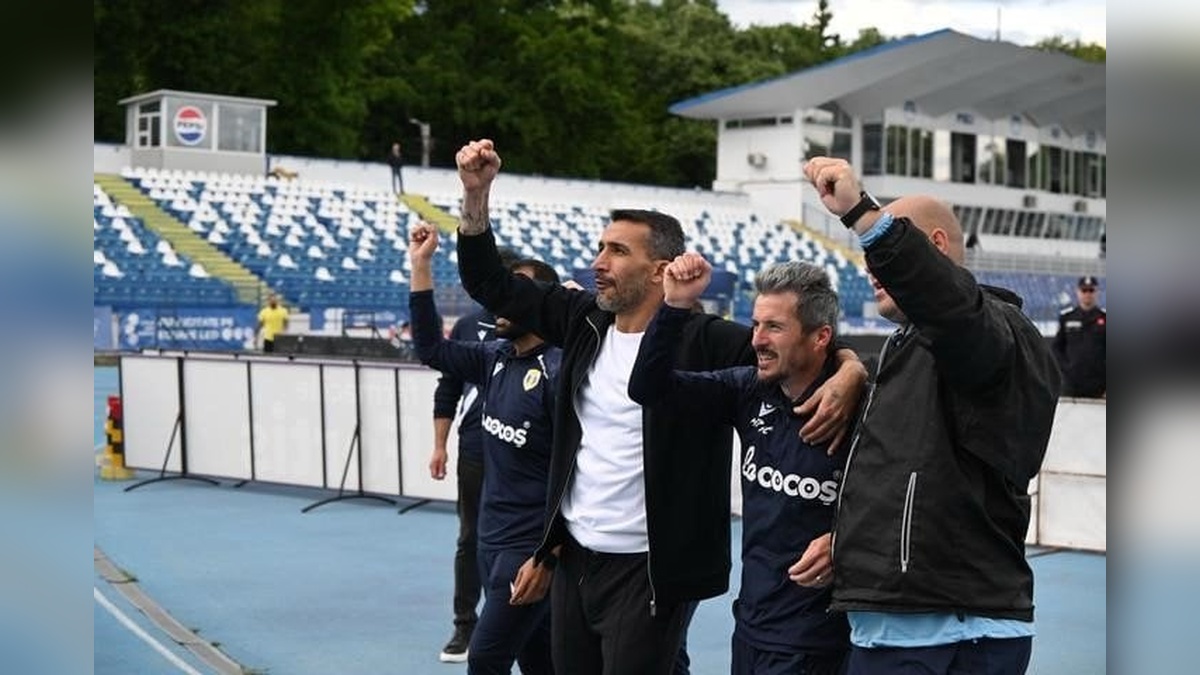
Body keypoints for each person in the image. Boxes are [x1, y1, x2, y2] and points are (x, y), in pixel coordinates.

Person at [454, 138, 866, 675]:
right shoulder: (581, 320)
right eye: (601, 248)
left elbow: (795, 349)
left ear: (661, 270)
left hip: (652, 567)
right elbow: (487, 282)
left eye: (617, 251)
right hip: (576, 553)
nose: (598, 263)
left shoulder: (708, 340)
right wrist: (476, 195)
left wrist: (852, 367)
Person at [802, 156, 1061, 675]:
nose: (869, 267)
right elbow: (917, 474)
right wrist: (854, 542)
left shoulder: (992, 332)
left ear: (934, 249)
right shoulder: (913, 349)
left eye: (885, 253)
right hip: (912, 624)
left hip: (945, 631)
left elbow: (951, 307)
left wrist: (865, 218)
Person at [628, 255, 853, 675]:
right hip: (750, 626)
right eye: (756, 325)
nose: (757, 340)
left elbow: (912, 500)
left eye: (774, 327)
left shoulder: (859, 409)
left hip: (820, 641)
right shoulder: (747, 389)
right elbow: (648, 389)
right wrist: (674, 307)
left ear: (820, 337)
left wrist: (847, 540)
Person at [410, 222, 560, 674]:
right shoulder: (494, 355)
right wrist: (421, 266)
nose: (501, 298)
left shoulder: (563, 369)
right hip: (491, 541)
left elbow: (578, 473)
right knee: (540, 662)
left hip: (528, 549)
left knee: (488, 657)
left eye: (516, 290)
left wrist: (549, 554)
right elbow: (430, 348)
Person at [430, 246, 522, 664]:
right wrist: (439, 444)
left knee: (520, 542)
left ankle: (512, 623)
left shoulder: (532, 321)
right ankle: (465, 625)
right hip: (474, 449)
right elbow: (448, 387)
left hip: (521, 452)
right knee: (470, 538)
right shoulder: (468, 325)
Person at [1053, 275, 1106, 398]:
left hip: (1099, 385)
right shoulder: (1067, 318)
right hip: (1071, 384)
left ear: (1097, 292)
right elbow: (1057, 348)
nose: (1087, 294)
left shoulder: (1105, 319)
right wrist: (1067, 368)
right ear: (1078, 292)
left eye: (1091, 290)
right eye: (1084, 290)